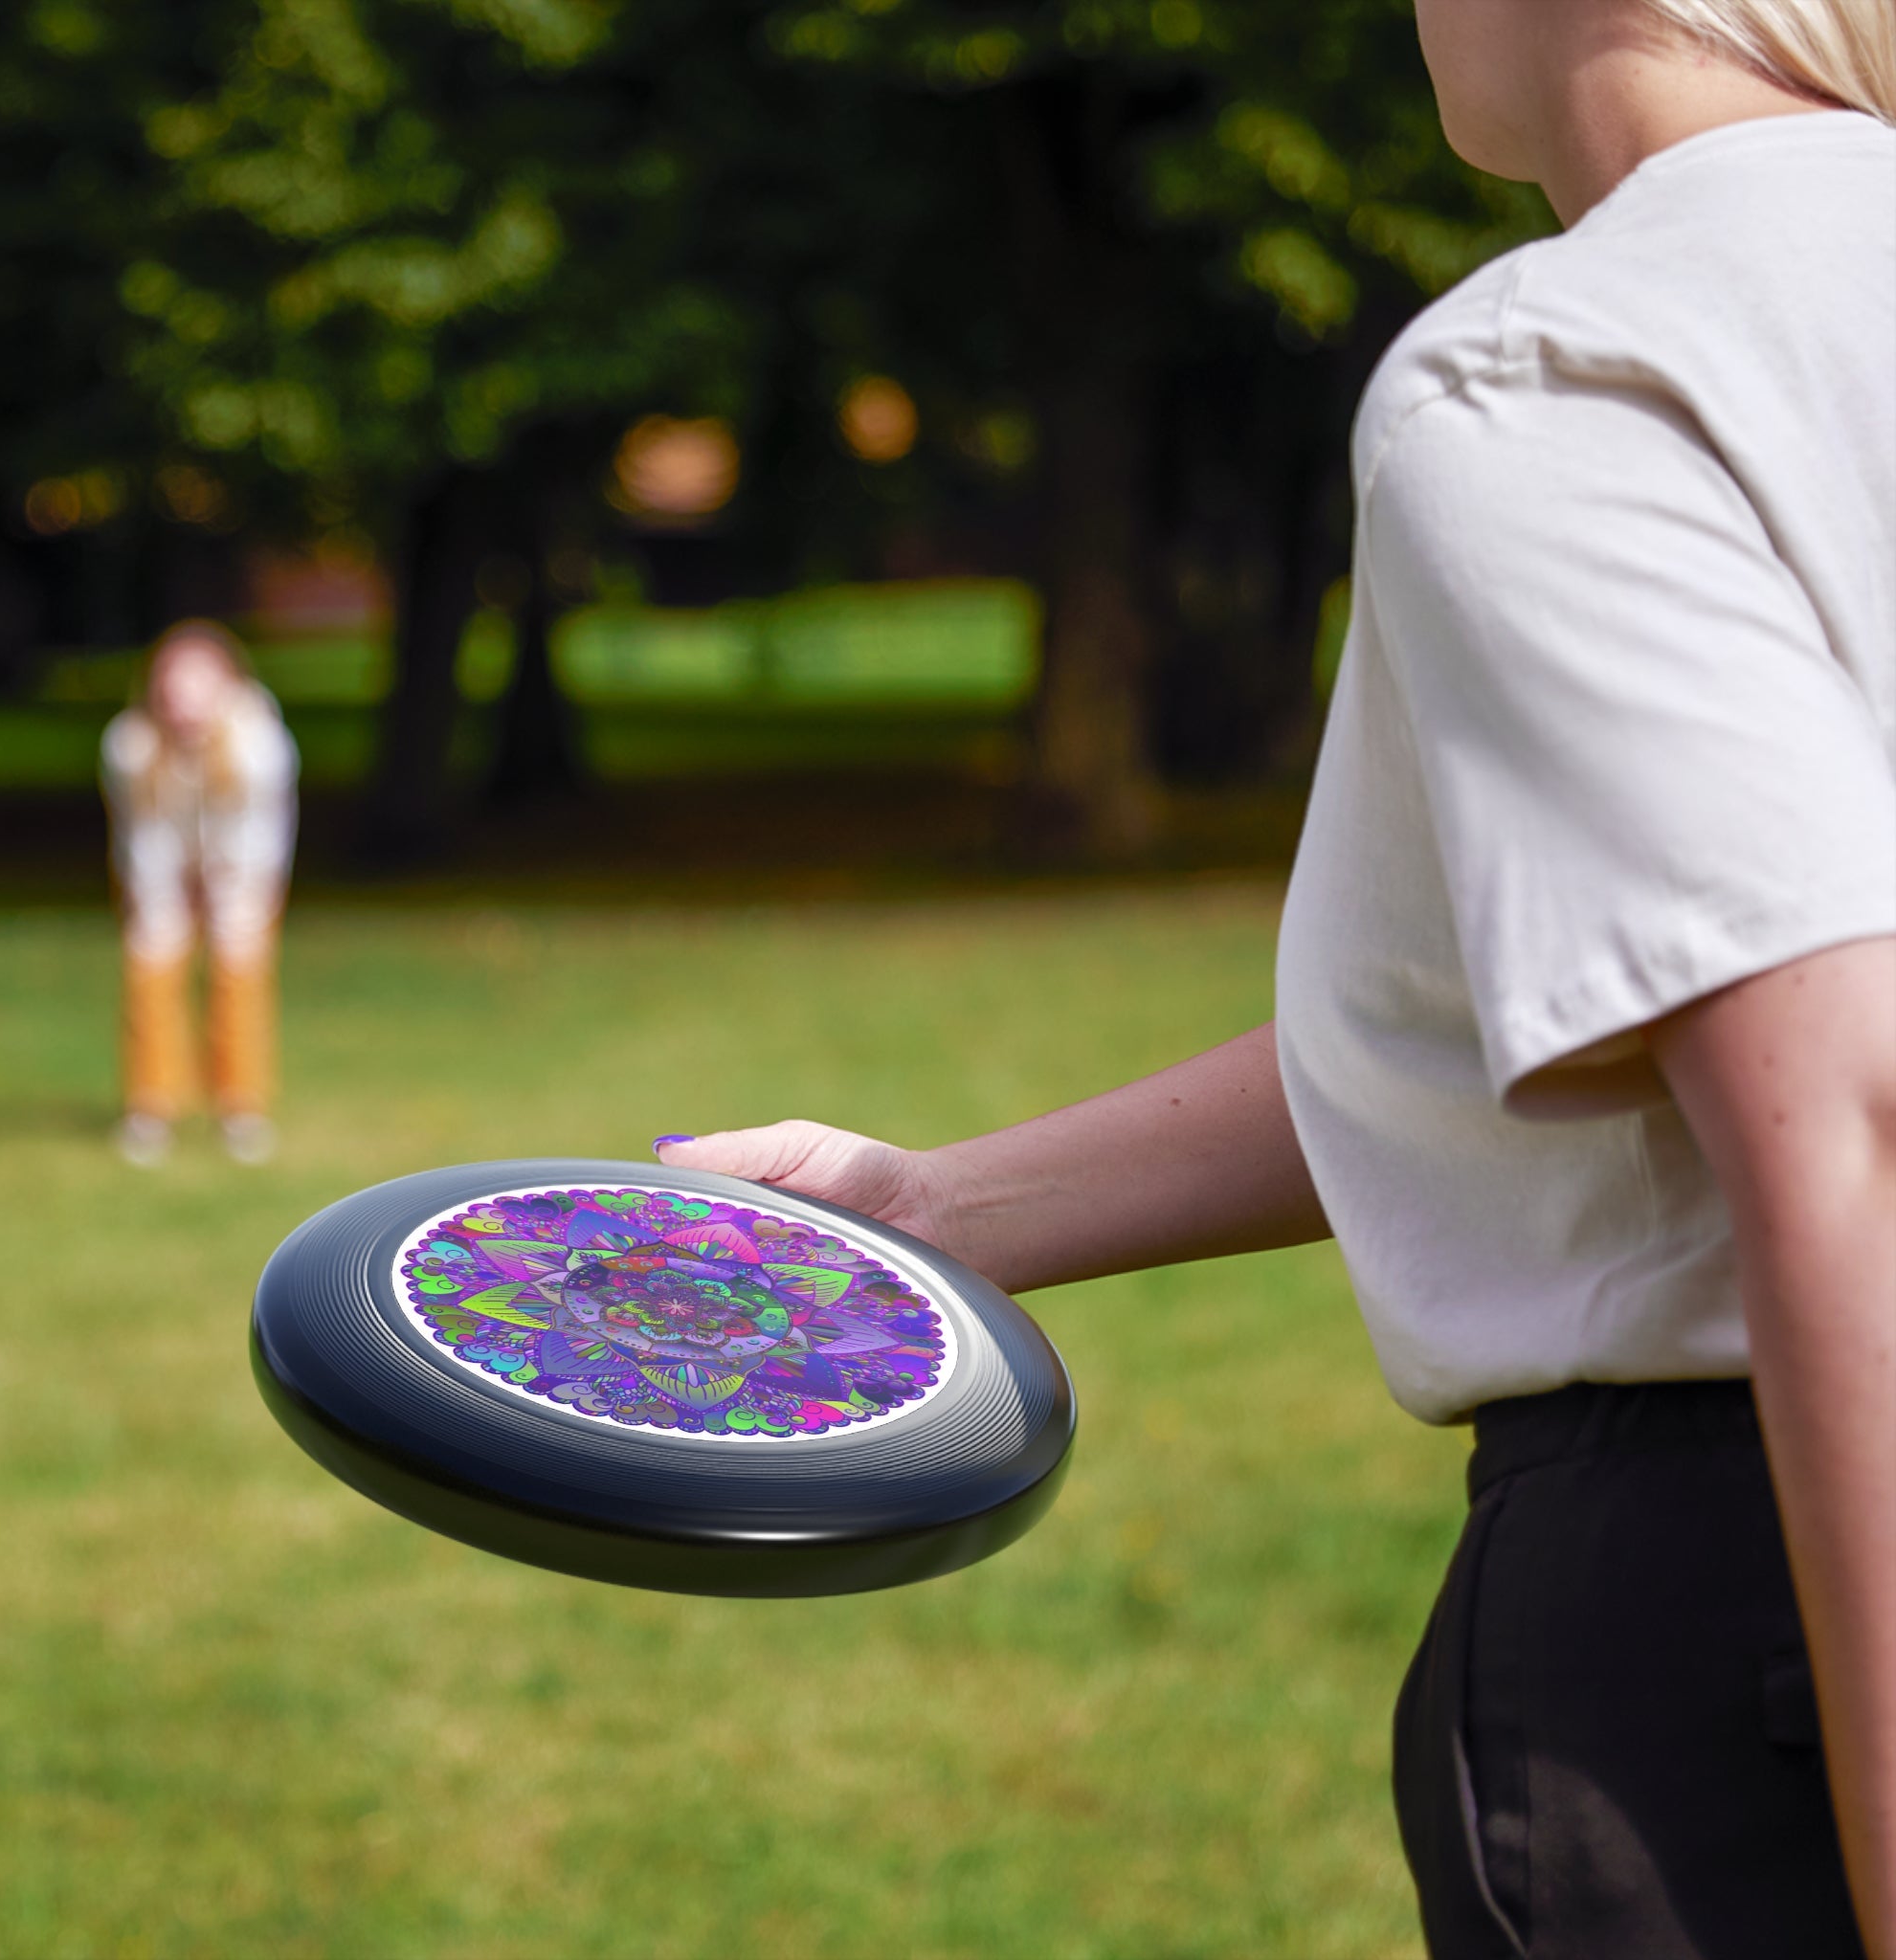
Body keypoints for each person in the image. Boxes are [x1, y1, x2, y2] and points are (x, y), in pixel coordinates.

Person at [654, 2, 1896, 1953]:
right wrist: (937, 1209)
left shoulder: (1569, 366)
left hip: (1757, 1615)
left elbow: (1847, 1113)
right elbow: (1611, 999)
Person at [100, 620, 299, 1168]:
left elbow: (258, 836)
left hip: (242, 870)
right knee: (151, 966)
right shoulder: (130, 745)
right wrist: (163, 900)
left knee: (239, 972)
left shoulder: (259, 744)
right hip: (160, 868)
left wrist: (227, 893)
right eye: (173, 684)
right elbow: (143, 835)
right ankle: (151, 1107)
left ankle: (241, 1108)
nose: (184, 700)